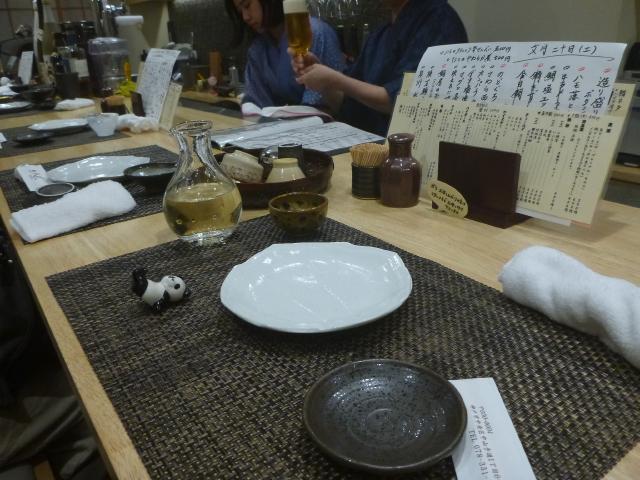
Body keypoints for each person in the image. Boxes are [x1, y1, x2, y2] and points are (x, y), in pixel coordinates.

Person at [292, 0, 468, 135]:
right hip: (370, 147)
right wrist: (322, 81)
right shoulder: (382, 32)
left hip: (409, 154)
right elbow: (347, 103)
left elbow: (403, 101)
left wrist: (337, 80)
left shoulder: (437, 18)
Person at [225, 0, 345, 109]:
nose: (245, 17)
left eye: (247, 6)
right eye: (240, 11)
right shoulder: (258, 47)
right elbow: (254, 101)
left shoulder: (314, 33)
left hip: (321, 123)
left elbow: (323, 104)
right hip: (275, 123)